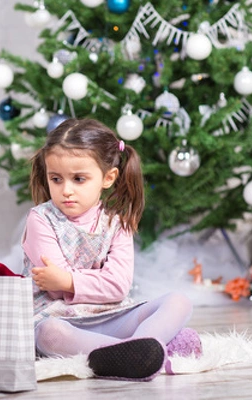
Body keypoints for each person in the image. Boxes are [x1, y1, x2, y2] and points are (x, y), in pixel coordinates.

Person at [22, 118, 202, 381]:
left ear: (108, 178)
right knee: (50, 334)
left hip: (112, 315)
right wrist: (71, 282)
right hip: (64, 319)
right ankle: (148, 349)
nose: (66, 190)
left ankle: (137, 350)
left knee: (180, 301)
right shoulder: (40, 219)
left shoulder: (117, 223)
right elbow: (55, 288)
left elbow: (118, 286)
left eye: (79, 179)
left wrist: (70, 279)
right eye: (56, 179)